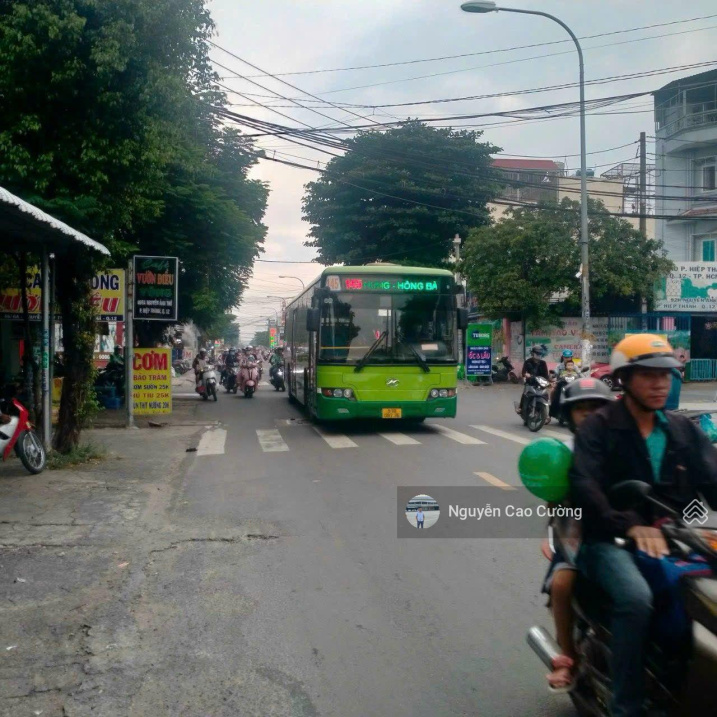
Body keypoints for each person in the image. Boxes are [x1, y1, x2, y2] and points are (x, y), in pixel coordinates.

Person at [570, 334, 717, 717]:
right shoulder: (599, 428)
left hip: (675, 539)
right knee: (636, 599)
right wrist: (630, 525)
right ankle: (627, 706)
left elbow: (713, 480)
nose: (660, 384)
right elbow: (585, 486)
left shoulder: (683, 431)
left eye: (665, 375)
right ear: (624, 379)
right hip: (608, 540)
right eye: (649, 375)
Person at [542, 378, 614, 692]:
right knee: (562, 583)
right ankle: (567, 656)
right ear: (569, 416)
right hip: (576, 531)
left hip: (624, 529)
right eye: (581, 409)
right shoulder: (564, 454)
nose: (589, 414)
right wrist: (553, 531)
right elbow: (553, 501)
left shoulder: (624, 448)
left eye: (596, 408)